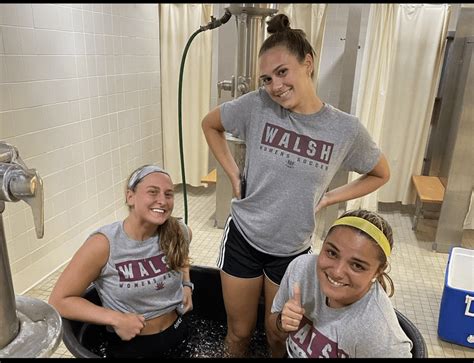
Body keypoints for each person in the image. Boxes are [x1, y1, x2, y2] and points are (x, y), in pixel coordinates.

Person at [201, 13, 390, 358]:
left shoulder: (344, 129)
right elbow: (210, 124)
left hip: (291, 253)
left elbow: (380, 173)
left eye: (282, 72)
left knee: (279, 337)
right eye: (267, 78)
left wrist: (332, 195)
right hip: (243, 237)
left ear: (308, 63)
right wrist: (232, 173)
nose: (275, 85)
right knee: (239, 334)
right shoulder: (257, 105)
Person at [49, 165, 194, 358]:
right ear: (130, 197)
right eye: (153, 192)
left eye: (169, 194)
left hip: (178, 332)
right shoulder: (104, 244)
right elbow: (59, 301)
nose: (162, 201)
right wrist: (116, 319)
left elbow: (182, 256)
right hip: (132, 346)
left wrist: (186, 285)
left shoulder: (179, 231)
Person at [270, 209, 413, 358]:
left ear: (378, 271)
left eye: (357, 266)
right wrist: (282, 322)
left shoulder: (379, 332)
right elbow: (273, 328)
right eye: (332, 253)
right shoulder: (301, 270)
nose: (337, 272)